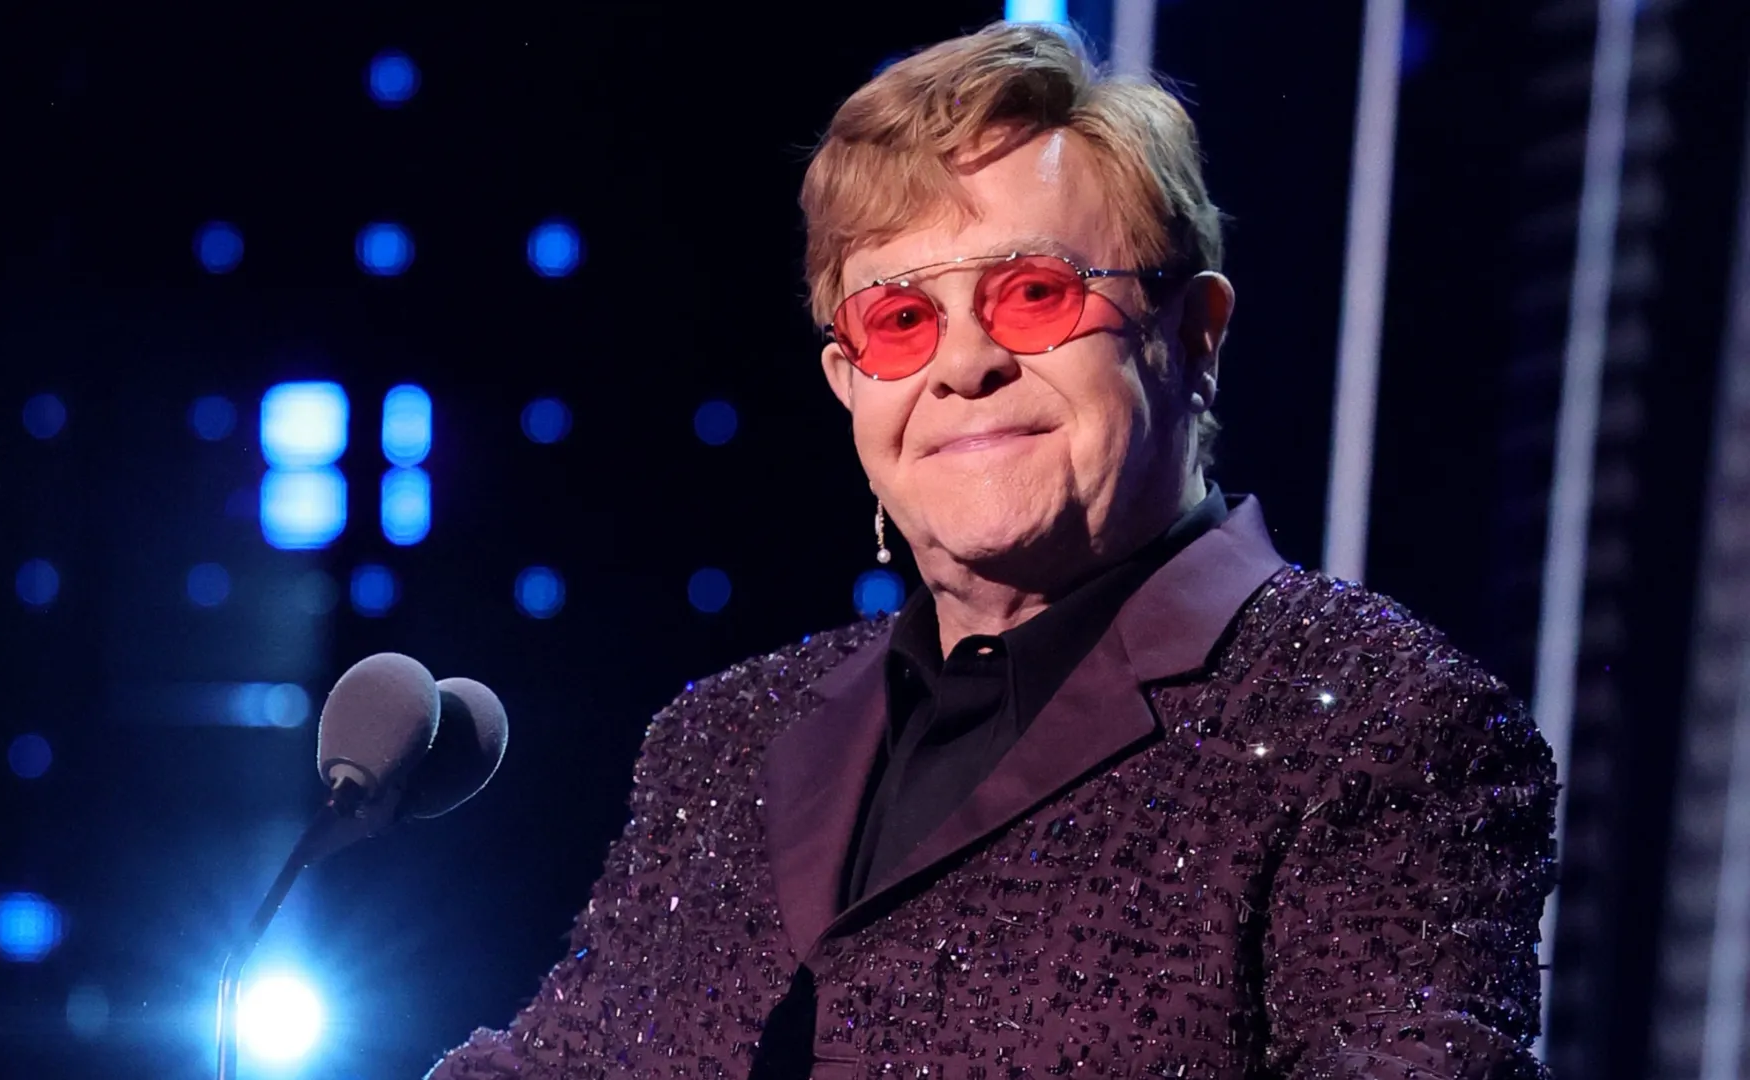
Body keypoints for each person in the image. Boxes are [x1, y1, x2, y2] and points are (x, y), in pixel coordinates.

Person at [431, 22, 1557, 1080]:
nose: (964, 364)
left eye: (1032, 295)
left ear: (1192, 337)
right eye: (901, 321)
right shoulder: (721, 743)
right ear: (849, 386)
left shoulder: (1378, 724)